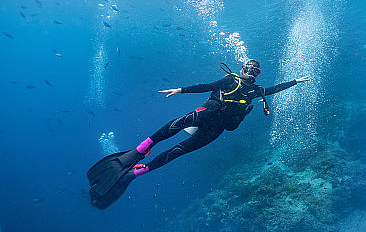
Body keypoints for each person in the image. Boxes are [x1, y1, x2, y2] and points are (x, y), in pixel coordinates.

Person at [87, 59, 309, 209]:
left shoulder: (256, 91)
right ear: (242, 69)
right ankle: (139, 150)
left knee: (177, 152)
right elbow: (206, 86)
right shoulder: (231, 80)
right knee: (172, 126)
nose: (251, 73)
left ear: (258, 74)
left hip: (216, 130)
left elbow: (275, 89)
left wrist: (295, 82)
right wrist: (181, 90)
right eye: (248, 69)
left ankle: (133, 175)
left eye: (255, 71)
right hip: (205, 115)